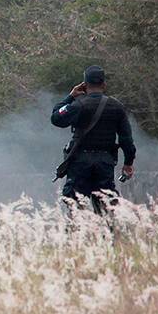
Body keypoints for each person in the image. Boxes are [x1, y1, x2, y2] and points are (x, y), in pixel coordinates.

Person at [51, 65, 136, 214]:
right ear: (104, 84)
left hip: (79, 163)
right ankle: (105, 235)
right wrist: (128, 163)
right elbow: (126, 140)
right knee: (106, 208)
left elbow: (56, 117)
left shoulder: (78, 105)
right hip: (105, 162)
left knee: (76, 209)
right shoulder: (117, 107)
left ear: (84, 84)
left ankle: (78, 235)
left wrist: (71, 96)